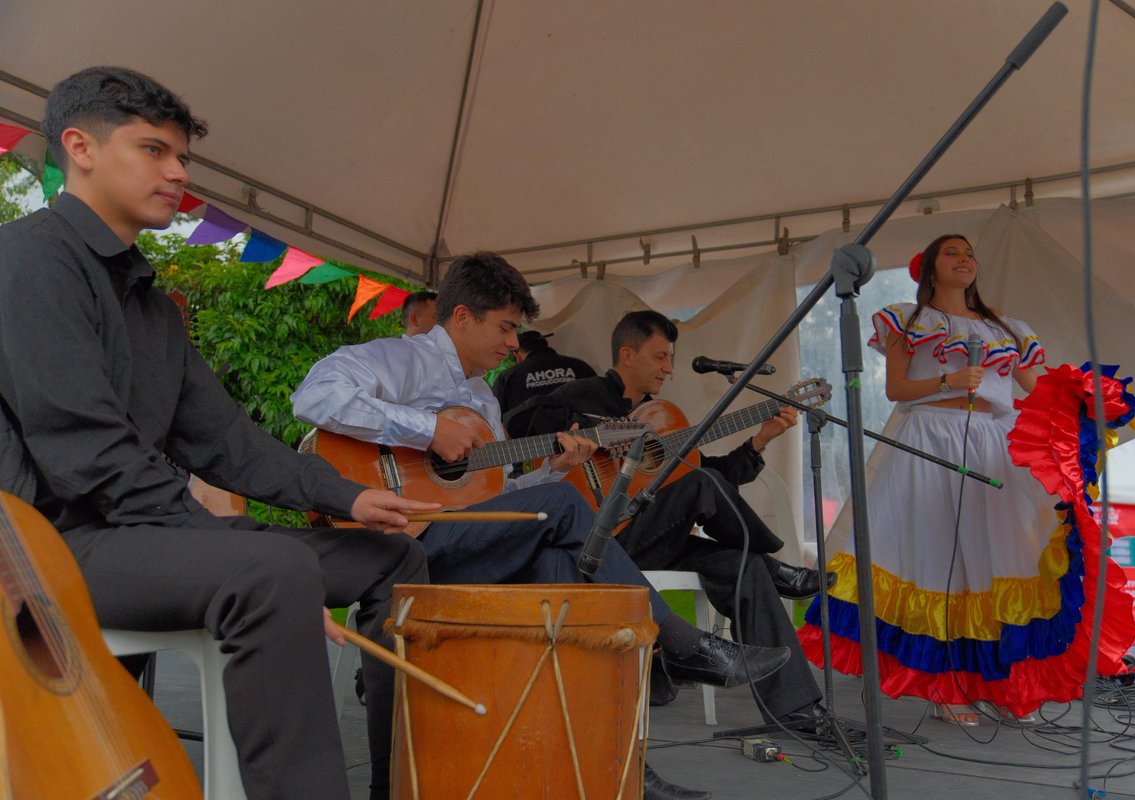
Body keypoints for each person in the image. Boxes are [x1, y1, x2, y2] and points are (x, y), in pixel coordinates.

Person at [0, 66, 437, 800]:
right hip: (47, 549)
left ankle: (401, 785)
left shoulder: (149, 304)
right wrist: (234, 544)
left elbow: (225, 439)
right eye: (154, 150)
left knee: (392, 558)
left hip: (138, 534)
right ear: (80, 147)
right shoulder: (28, 260)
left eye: (182, 156)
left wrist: (347, 496)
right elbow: (89, 456)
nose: (178, 173)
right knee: (273, 571)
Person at [291, 252, 790, 800]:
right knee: (565, 510)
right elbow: (315, 395)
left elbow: (493, 497)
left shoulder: (482, 398)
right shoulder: (401, 359)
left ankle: (616, 770)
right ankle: (681, 645)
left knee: (562, 563)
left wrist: (553, 469)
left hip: (457, 542)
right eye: (505, 327)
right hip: (393, 540)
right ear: (463, 317)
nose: (513, 344)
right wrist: (427, 430)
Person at [799, 234, 1079, 727]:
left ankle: (996, 683)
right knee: (935, 558)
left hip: (992, 442)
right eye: (952, 252)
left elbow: (1039, 390)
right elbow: (897, 388)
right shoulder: (908, 319)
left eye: (969, 252)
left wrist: (1086, 402)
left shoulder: (1005, 328)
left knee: (998, 557)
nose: (964, 259)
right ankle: (944, 686)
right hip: (929, 438)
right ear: (929, 267)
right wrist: (949, 381)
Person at [504, 310, 831, 727]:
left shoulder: (660, 419)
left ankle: (796, 709)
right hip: (601, 541)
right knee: (703, 485)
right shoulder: (582, 393)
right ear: (628, 355)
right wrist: (593, 436)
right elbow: (518, 421)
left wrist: (760, 440)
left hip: (653, 535)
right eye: (660, 357)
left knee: (742, 563)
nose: (668, 368)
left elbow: (709, 475)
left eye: (670, 358)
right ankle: (776, 565)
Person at [492, 330, 597, 415]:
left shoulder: (508, 377)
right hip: (581, 433)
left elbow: (495, 418)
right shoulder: (580, 367)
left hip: (531, 435)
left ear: (517, 355)